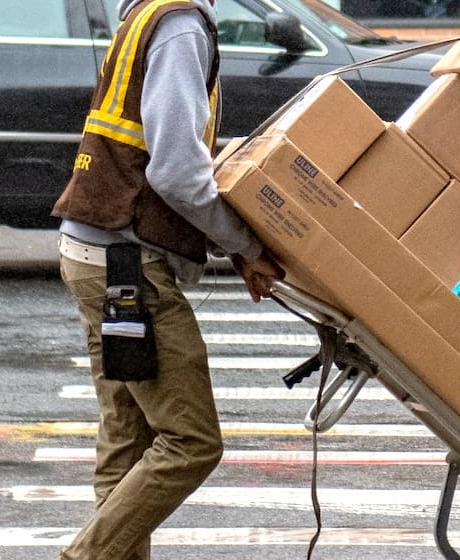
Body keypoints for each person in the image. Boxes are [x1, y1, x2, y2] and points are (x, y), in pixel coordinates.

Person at [49, 0, 283, 558]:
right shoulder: (180, 26)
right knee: (191, 441)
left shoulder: (147, 13)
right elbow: (177, 172)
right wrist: (247, 246)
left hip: (94, 254)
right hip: (127, 267)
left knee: (128, 442)